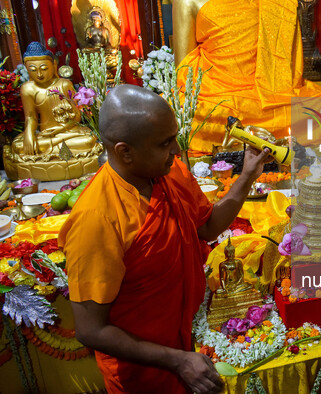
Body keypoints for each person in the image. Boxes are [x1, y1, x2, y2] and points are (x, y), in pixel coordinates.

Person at [58, 84, 271, 393]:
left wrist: (248, 175)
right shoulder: (97, 219)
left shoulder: (170, 172)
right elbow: (91, 330)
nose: (176, 151)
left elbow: (208, 227)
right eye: (165, 143)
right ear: (124, 151)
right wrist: (177, 361)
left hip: (188, 345)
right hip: (143, 372)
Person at [172, 0, 321, 155]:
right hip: (217, 97)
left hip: (269, 96)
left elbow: (284, 66)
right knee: (182, 112)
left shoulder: (275, 2)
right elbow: (184, 71)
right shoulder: (187, 2)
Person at [10, 42, 98, 157]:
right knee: (18, 146)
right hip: (45, 135)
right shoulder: (27, 89)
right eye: (33, 70)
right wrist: (29, 135)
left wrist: (61, 128)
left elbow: (77, 115)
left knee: (89, 140)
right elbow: (30, 117)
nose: (39, 74)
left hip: (69, 132)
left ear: (54, 65)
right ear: (27, 69)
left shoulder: (64, 84)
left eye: (44, 68)